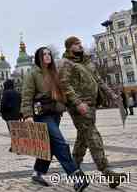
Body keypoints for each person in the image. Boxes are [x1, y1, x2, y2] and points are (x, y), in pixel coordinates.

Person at [59, 36, 127, 188]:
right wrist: (77, 103)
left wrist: (113, 95)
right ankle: (108, 173)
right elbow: (65, 85)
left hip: (91, 105)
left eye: (80, 43)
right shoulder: (66, 63)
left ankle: (72, 168)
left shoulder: (87, 61)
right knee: (93, 136)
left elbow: (99, 80)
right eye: (77, 44)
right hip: (79, 107)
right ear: (69, 47)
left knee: (83, 138)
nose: (80, 46)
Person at [22, 47, 89, 191]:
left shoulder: (55, 73)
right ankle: (77, 176)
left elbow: (66, 92)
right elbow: (26, 96)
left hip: (55, 114)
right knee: (60, 143)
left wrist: (77, 104)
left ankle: (37, 173)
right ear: (38, 57)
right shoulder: (32, 74)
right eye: (43, 54)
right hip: (42, 115)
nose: (47, 56)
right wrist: (27, 115)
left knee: (50, 145)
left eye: (48, 54)